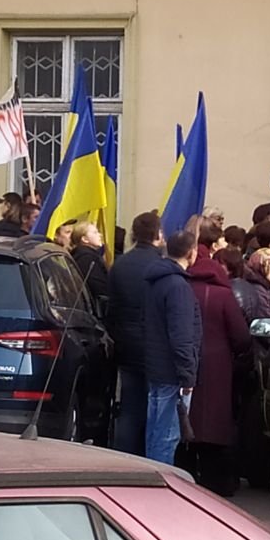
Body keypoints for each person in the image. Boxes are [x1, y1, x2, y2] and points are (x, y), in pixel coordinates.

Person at [186, 228, 252, 496]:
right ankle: (216, 482)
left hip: (187, 362)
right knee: (214, 423)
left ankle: (187, 473)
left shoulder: (183, 287)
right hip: (218, 367)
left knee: (186, 422)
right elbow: (241, 336)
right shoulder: (223, 295)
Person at [108, 211, 164, 456]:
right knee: (157, 408)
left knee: (130, 407)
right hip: (155, 345)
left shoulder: (120, 264)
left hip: (126, 344)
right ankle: (150, 459)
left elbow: (112, 306)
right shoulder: (162, 266)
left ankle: (124, 457)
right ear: (157, 234)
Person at [143, 231, 200, 465]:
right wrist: (188, 375)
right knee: (167, 436)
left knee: (155, 431)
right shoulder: (178, 287)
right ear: (191, 252)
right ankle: (159, 487)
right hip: (172, 371)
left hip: (155, 366)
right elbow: (182, 335)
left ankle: (150, 476)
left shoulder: (155, 281)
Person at [70, 221, 110, 305]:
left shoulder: (82, 255)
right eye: (95, 233)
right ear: (85, 239)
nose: (100, 235)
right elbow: (98, 287)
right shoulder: (87, 258)